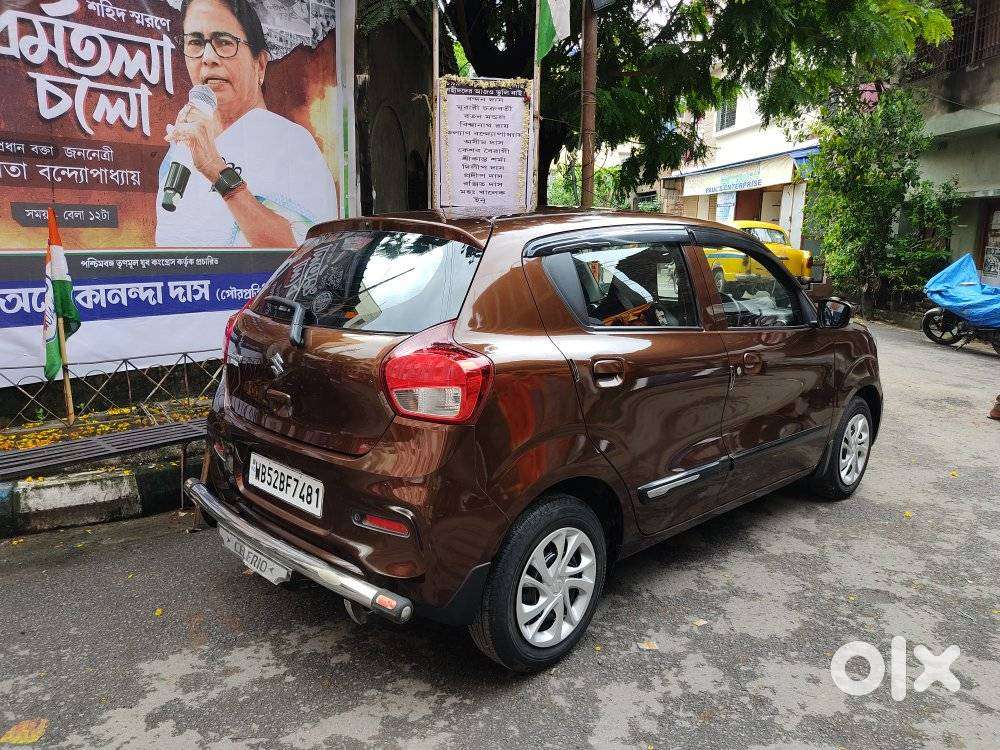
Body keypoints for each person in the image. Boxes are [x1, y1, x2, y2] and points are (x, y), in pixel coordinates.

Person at [155, 0, 338, 247]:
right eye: (196, 43)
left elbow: (301, 256)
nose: (208, 58)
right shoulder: (181, 150)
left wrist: (217, 172)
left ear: (259, 64)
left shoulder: (291, 144)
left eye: (224, 42)